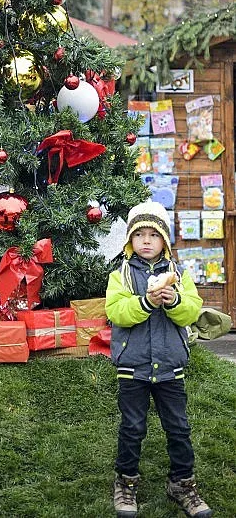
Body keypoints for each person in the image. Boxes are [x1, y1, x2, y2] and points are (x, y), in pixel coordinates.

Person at [106, 201, 211, 518]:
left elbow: (191, 312)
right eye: (140, 235)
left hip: (170, 367)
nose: (147, 241)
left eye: (154, 234)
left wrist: (175, 300)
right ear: (130, 241)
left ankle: (182, 483)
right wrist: (146, 302)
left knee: (178, 428)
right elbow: (117, 313)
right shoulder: (120, 275)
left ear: (165, 239)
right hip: (133, 368)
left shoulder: (179, 274)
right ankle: (125, 482)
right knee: (132, 427)